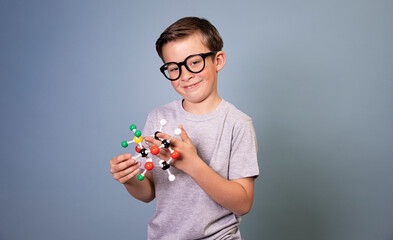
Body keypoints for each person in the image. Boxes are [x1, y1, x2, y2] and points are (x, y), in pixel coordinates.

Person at [110, 17, 259, 239]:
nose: (185, 75)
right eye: (173, 68)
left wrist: (192, 165)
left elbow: (243, 203)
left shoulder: (237, 124)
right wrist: (130, 178)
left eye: (195, 62)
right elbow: (148, 192)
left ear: (218, 60)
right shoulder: (158, 117)